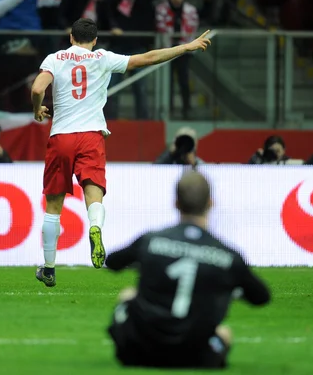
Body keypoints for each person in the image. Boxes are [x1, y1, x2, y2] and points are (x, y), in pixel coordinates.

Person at [30, 18, 212, 287]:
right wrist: (186, 47)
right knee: (93, 191)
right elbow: (148, 58)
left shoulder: (55, 58)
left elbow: (37, 88)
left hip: (62, 136)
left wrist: (37, 108)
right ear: (94, 41)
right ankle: (95, 226)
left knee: (54, 205)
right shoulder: (103, 58)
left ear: (70, 37)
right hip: (91, 135)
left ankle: (49, 267)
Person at [105, 170, 271, 369]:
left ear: (176, 203)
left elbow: (113, 262)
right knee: (224, 333)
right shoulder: (228, 256)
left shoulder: (150, 241)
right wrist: (231, 290)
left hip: (140, 351)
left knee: (127, 295)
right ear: (211, 203)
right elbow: (261, 297)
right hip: (196, 356)